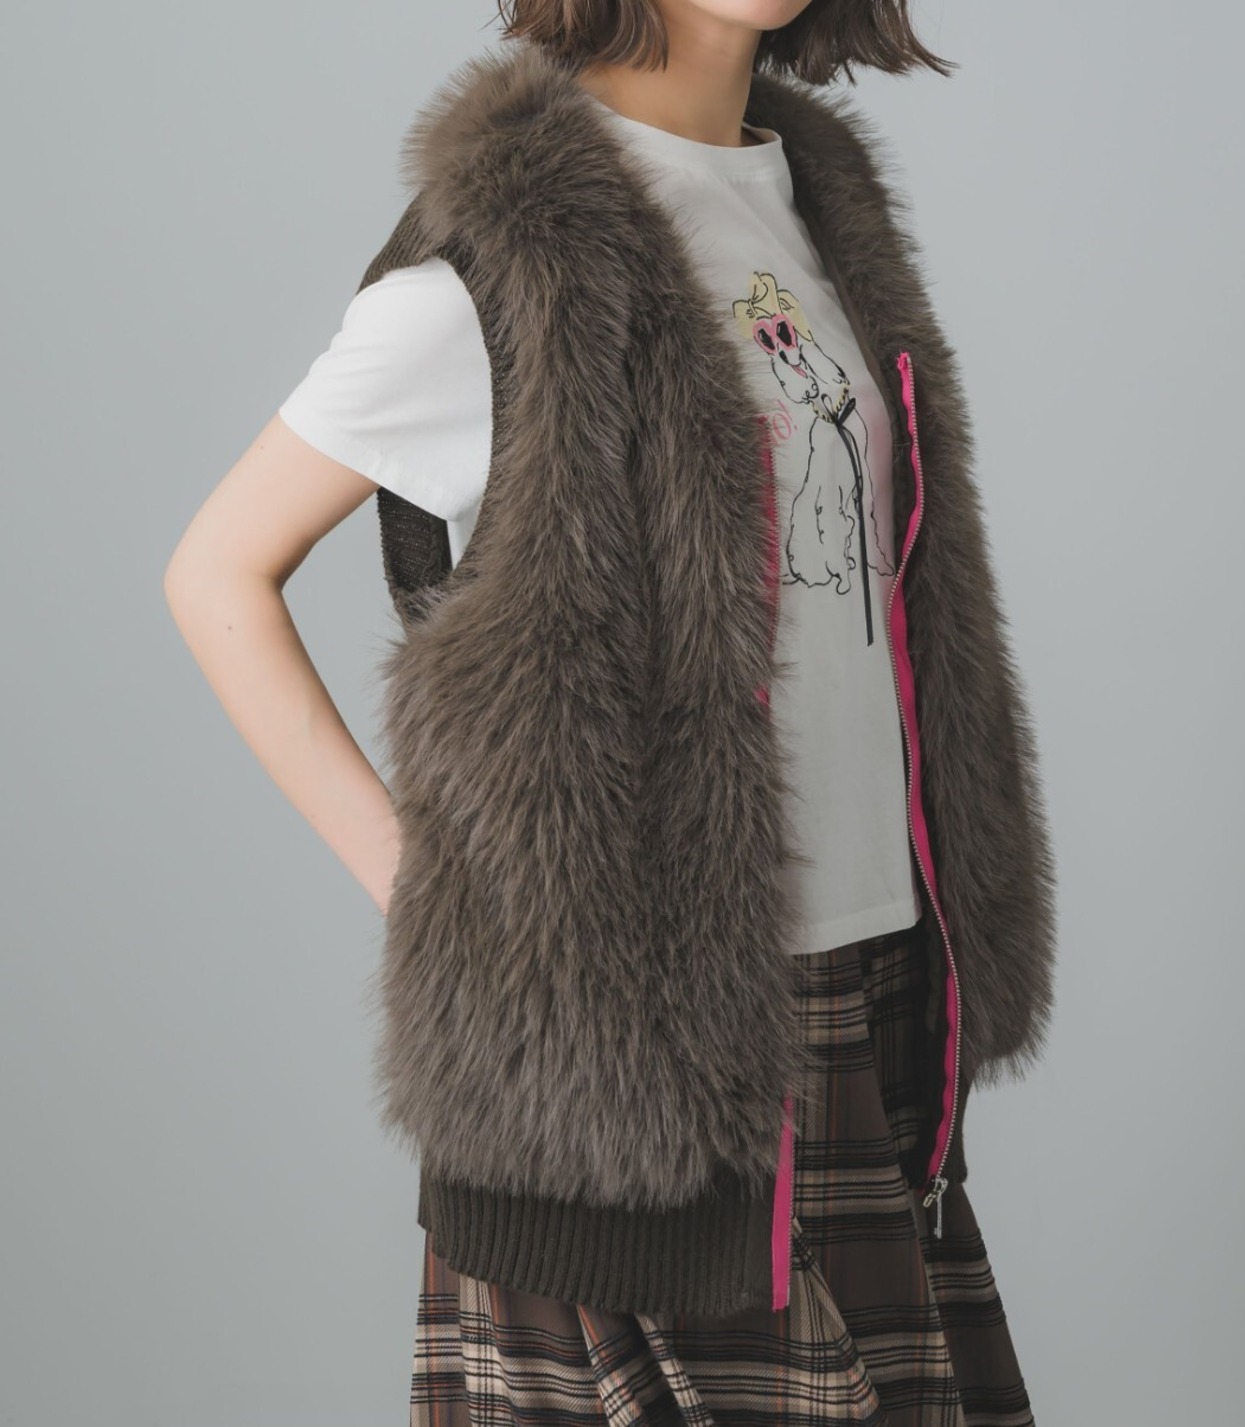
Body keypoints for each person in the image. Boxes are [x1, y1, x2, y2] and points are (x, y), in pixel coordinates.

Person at [164, 2, 1058, 1421]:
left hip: (866, 995)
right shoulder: (504, 258)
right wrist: (449, 907)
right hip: (634, 1079)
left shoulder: (812, 205)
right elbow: (217, 571)